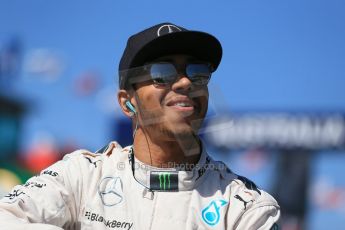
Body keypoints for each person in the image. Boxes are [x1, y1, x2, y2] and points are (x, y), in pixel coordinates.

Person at [0, 22, 280, 230]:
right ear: (127, 102)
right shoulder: (80, 176)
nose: (184, 83)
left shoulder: (248, 207)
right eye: (162, 73)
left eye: (197, 72)